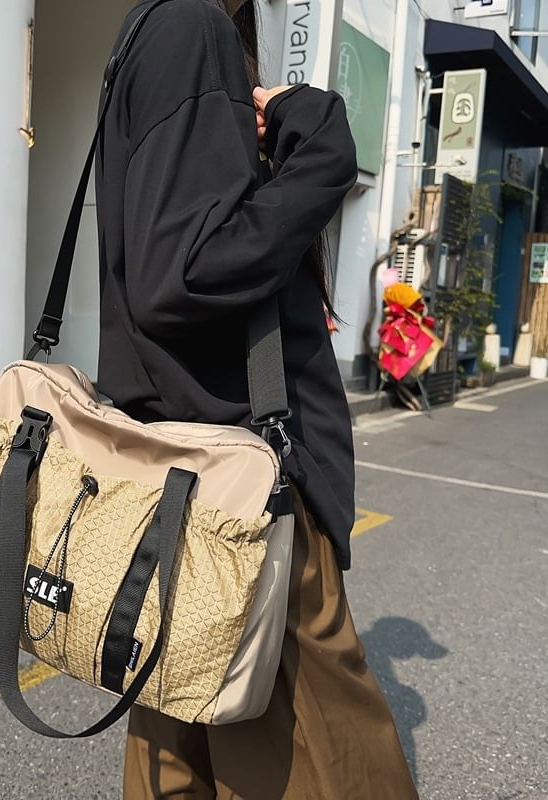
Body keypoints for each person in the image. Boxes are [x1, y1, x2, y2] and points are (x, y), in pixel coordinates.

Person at [94, 0, 419, 797]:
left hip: (179, 478)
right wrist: (324, 152)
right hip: (245, 486)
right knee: (328, 762)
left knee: (175, 752)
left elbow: (170, 257)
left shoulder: (153, 30)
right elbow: (187, 271)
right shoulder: (193, 29)